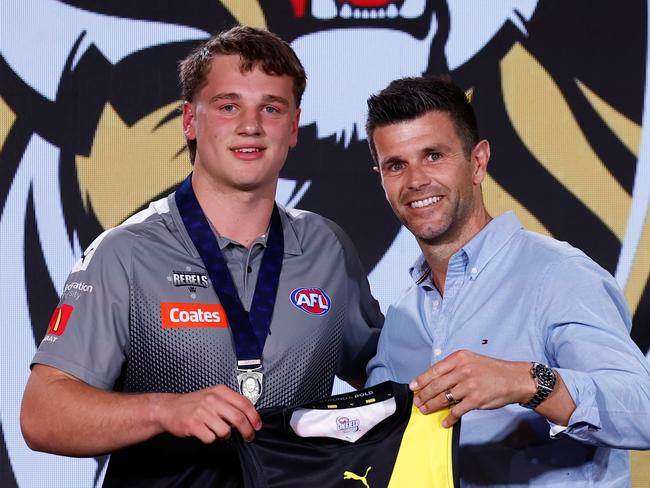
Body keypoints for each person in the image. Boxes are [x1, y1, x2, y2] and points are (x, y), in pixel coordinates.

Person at [20, 26, 382, 487]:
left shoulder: (327, 248)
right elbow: (42, 414)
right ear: (190, 120)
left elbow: (386, 372)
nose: (250, 126)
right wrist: (163, 408)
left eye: (270, 108)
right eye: (228, 106)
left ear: (293, 127)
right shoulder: (126, 253)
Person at [364, 76, 650, 487]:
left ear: (478, 162)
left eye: (433, 156)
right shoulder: (402, 317)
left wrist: (527, 381)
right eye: (396, 165)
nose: (415, 181)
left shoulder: (558, 275)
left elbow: (642, 410)